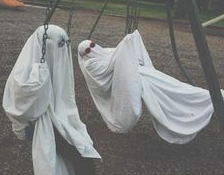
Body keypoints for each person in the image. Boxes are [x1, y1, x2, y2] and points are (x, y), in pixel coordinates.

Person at [3, 25, 121, 175]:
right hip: (41, 125)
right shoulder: (25, 71)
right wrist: (39, 80)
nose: (62, 51)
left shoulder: (51, 63)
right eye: (58, 45)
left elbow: (61, 97)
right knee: (82, 154)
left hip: (58, 117)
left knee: (85, 144)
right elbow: (21, 104)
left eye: (65, 45)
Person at [78, 30, 224, 144]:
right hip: (139, 81)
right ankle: (205, 100)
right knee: (167, 92)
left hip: (142, 75)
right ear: (84, 55)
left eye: (92, 45)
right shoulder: (90, 64)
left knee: (174, 86)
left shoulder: (102, 53)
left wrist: (130, 43)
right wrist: (126, 44)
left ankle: (207, 98)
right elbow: (112, 63)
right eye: (89, 50)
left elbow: (117, 54)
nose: (93, 49)